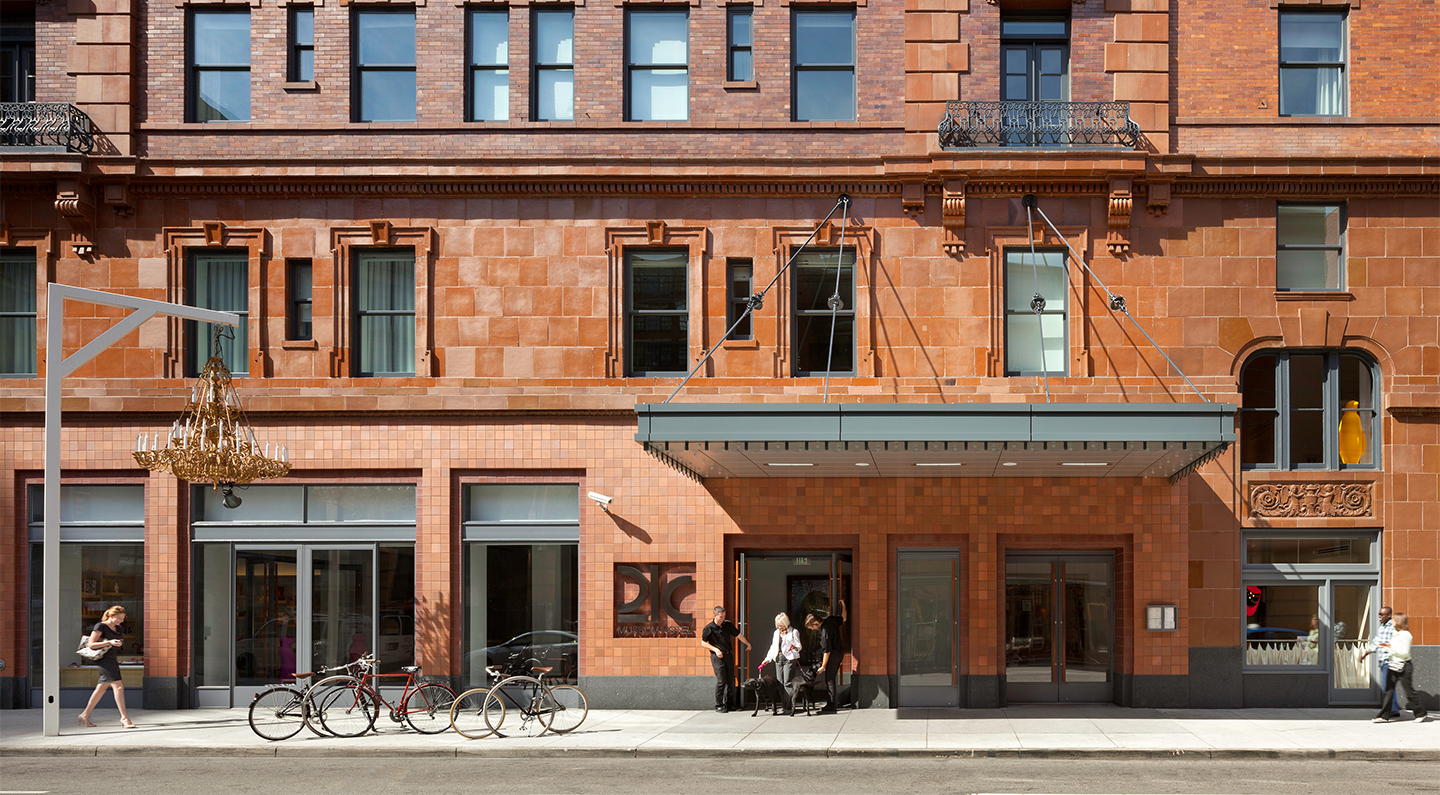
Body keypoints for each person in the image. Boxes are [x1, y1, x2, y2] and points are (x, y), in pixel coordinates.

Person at [78, 605, 137, 729]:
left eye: (122, 618)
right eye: (118, 618)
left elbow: (116, 642)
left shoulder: (119, 628)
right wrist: (109, 642)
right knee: (119, 687)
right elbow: (91, 644)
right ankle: (124, 718)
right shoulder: (101, 626)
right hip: (103, 660)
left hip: (112, 659)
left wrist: (117, 643)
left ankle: (84, 715)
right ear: (111, 615)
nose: (121, 621)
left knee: (101, 689)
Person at [1373, 613, 1429, 723]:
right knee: (1388, 691)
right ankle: (1384, 716)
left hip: (1404, 666)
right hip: (1393, 664)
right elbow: (1393, 647)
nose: (1391, 622)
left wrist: (1389, 648)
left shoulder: (1405, 635)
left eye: (1393, 620)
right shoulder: (1396, 634)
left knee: (1409, 691)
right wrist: (1385, 646)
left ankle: (1421, 713)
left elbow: (1404, 652)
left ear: (1398, 622)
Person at [699, 606, 750, 713]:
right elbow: (703, 643)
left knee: (730, 680)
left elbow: (738, 635)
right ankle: (719, 704)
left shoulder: (727, 625)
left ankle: (730, 704)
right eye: (721, 617)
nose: (723, 619)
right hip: (717, 657)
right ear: (715, 615)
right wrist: (716, 649)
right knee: (721, 680)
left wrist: (747, 643)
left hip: (728, 655)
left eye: (724, 616)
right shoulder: (709, 628)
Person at [807, 598, 847, 714]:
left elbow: (827, 651)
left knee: (829, 679)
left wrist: (823, 666)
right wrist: (843, 605)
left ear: (815, 623)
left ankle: (831, 705)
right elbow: (844, 618)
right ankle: (831, 703)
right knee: (831, 678)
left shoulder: (824, 632)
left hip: (833, 655)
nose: (813, 630)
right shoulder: (831, 620)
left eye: (812, 627)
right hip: (840, 652)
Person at [1361, 605, 1400, 720]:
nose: (1379, 617)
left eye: (1382, 615)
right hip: (1384, 661)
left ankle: (1389, 711)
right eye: (1379, 614)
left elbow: (1394, 642)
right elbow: (1376, 642)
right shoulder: (1382, 627)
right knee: (1389, 687)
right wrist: (1365, 654)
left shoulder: (1393, 627)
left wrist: (1385, 645)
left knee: (1386, 687)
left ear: (1389, 615)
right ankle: (1394, 710)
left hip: (1390, 660)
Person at [764, 612, 803, 716]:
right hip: (778, 658)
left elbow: (799, 646)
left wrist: (794, 647)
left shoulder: (794, 632)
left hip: (789, 658)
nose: (779, 627)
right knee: (780, 683)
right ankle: (784, 705)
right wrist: (767, 658)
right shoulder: (776, 633)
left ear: (786, 623)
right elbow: (773, 647)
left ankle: (789, 706)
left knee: (787, 682)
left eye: (781, 624)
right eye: (778, 625)